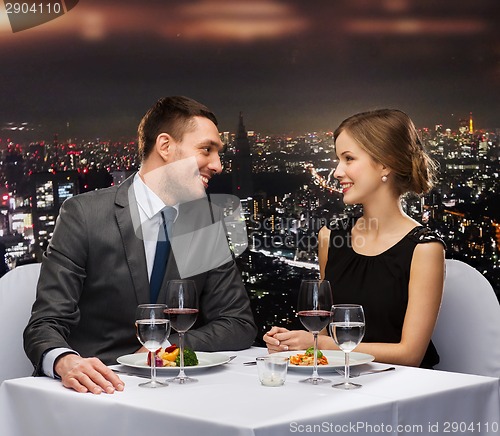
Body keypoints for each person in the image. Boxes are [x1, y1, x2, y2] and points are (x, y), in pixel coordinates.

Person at [24, 96, 257, 394]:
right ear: (165, 147)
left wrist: (166, 349)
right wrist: (66, 362)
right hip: (97, 391)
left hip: (179, 391)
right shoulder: (83, 215)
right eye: (206, 150)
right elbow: (45, 324)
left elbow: (237, 322)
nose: (218, 165)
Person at [264, 109, 445, 369]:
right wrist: (293, 342)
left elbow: (410, 355)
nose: (337, 172)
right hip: (339, 382)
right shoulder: (330, 238)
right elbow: (325, 331)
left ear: (386, 163)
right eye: (338, 159)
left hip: (404, 390)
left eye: (348, 159)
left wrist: (319, 344)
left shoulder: (424, 248)